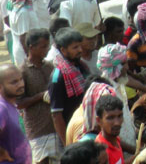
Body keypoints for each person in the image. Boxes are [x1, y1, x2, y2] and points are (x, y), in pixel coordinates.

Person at [18, 28, 60, 164]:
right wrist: (41, 96)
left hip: (56, 125)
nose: (47, 49)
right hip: (37, 129)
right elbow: (19, 103)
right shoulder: (23, 71)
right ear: (32, 47)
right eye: (43, 47)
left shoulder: (49, 66)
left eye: (47, 46)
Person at [49, 27, 89, 146]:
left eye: (80, 46)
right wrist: (68, 144)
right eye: (75, 47)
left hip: (87, 128)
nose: (80, 50)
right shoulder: (58, 77)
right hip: (73, 133)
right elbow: (56, 115)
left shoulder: (82, 67)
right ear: (63, 50)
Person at [0, 63, 31, 164]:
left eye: (21, 79)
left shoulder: (11, 105)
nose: (21, 84)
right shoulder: (2, 108)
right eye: (14, 82)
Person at [9, 0, 41, 66]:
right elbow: (23, 37)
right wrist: (30, 56)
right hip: (25, 52)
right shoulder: (22, 11)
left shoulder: (15, 7)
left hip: (23, 49)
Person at [93, 95, 124, 164]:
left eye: (120, 116)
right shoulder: (102, 153)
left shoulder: (116, 140)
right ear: (98, 120)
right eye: (110, 118)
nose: (117, 123)